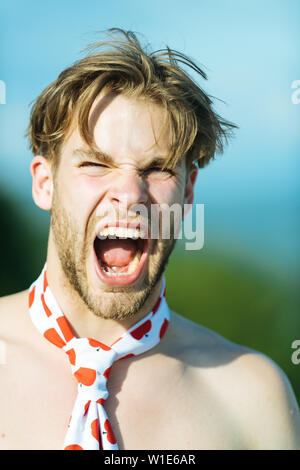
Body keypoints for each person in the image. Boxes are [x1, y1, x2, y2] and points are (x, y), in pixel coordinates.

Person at [0, 28, 299, 450]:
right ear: (44, 184)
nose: (131, 193)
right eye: (95, 164)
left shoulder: (252, 395)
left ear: (188, 191)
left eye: (157, 169)